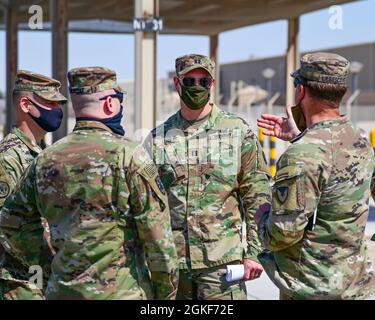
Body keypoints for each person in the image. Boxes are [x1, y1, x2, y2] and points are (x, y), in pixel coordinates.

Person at [0, 67, 178, 300]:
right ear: (109, 104)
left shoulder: (44, 159)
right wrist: (166, 297)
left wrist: (53, 266)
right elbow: (158, 239)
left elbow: (13, 223)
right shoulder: (131, 156)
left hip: (63, 292)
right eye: (118, 100)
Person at [145, 54, 271, 300]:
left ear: (212, 84)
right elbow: (147, 202)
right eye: (190, 81)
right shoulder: (160, 137)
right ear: (177, 83)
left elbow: (257, 195)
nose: (197, 87)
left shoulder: (237, 131)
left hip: (221, 265)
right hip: (173, 266)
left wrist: (255, 252)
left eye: (204, 81)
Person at [256, 52, 375, 299]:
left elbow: (283, 233)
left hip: (311, 288)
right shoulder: (360, 140)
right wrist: (301, 138)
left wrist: (261, 215)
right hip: (355, 287)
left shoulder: (303, 154)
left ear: (301, 91)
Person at [0, 70, 67, 300]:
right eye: (49, 102)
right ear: (26, 105)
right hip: (20, 280)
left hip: (39, 276)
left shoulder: (39, 153)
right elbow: (8, 226)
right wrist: (50, 264)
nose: (57, 110)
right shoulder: (9, 156)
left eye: (57, 103)